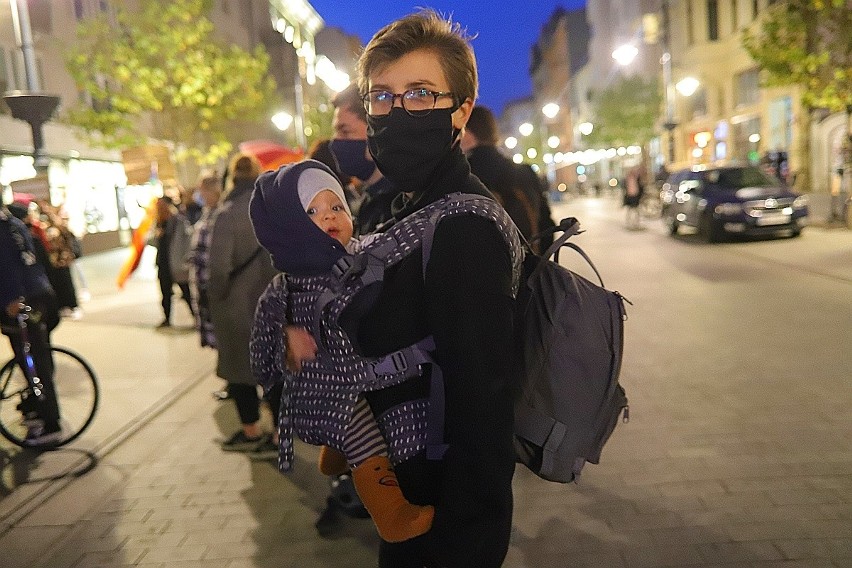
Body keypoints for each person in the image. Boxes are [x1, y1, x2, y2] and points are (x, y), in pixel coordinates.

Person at [351, 10, 517, 566]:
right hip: (412, 494)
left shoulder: (462, 224)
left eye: (420, 94)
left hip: (443, 522)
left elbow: (485, 401)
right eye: (382, 97)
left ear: (461, 111)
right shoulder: (413, 208)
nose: (397, 111)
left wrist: (465, 536)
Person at [250, 159, 434, 543]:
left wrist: (442, 215)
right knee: (362, 431)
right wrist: (285, 337)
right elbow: (259, 348)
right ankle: (391, 513)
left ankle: (337, 451)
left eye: (336, 207)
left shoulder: (361, 252)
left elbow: (397, 241)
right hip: (322, 389)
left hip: (361, 372)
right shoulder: (287, 288)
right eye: (313, 212)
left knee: (376, 408)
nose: (329, 217)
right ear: (290, 228)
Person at [207, 152, 280, 456]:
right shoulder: (273, 209)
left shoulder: (227, 214)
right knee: (275, 371)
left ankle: (251, 432)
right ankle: (279, 434)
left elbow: (218, 268)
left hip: (238, 306)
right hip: (272, 302)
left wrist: (215, 298)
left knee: (240, 371)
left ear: (232, 178)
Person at [1, 198, 62, 445]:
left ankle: (50, 422)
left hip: (23, 301)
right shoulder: (13, 223)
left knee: (34, 362)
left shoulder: (4, 228)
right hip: (37, 297)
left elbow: (8, 266)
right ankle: (36, 407)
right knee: (33, 358)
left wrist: (13, 298)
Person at [461, 104, 540, 243]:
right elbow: (545, 223)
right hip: (528, 255)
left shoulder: (465, 175)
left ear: (468, 134)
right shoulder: (524, 171)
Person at [329, 83, 397, 236]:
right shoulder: (369, 201)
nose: (335, 141)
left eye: (345, 131)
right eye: (336, 132)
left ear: (376, 133)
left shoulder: (398, 206)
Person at [188, 172, 221, 350]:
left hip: (212, 288)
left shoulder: (219, 216)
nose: (199, 196)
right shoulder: (207, 214)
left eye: (202, 191)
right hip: (205, 289)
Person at [152, 197, 194, 328]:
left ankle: (197, 317)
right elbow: (154, 241)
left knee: (186, 292)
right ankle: (167, 318)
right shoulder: (159, 222)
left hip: (177, 263)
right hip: (163, 263)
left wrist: (185, 260)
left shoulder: (178, 221)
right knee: (165, 292)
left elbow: (187, 240)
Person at [624, 163, 645, 230]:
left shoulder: (635, 178)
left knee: (634, 210)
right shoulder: (631, 178)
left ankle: (634, 224)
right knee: (632, 210)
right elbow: (631, 189)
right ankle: (631, 224)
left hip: (634, 196)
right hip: (632, 196)